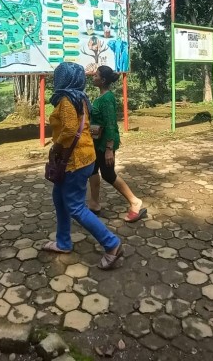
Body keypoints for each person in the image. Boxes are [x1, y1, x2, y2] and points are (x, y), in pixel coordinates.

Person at [44, 62, 123, 270]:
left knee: (76, 207)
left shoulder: (67, 100)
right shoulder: (80, 97)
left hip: (74, 161)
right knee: (59, 199)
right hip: (83, 157)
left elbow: (70, 129)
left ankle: (112, 244)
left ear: (64, 79)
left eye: (57, 76)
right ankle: (63, 242)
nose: (55, 80)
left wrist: (56, 146)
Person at [87, 66, 147, 222]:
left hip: (104, 144)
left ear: (103, 80)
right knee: (92, 170)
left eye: (96, 75)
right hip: (95, 142)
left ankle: (135, 202)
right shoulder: (100, 97)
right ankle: (94, 203)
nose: (94, 77)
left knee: (108, 174)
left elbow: (111, 124)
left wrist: (109, 149)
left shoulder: (107, 99)